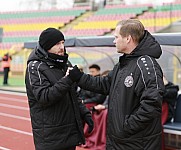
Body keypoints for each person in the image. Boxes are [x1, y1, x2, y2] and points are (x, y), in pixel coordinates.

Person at [67, 19, 165, 150]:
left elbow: (152, 104)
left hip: (137, 142)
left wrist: (126, 128)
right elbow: (105, 84)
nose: (114, 41)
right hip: (119, 141)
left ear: (128, 38)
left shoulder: (146, 64)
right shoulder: (123, 64)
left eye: (116, 37)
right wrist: (79, 77)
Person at [25, 28, 94, 150]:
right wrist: (67, 79)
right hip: (50, 136)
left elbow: (73, 94)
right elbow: (44, 97)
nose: (62, 47)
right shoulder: (35, 67)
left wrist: (84, 113)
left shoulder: (65, 63)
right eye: (57, 44)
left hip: (69, 132)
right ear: (47, 46)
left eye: (63, 42)